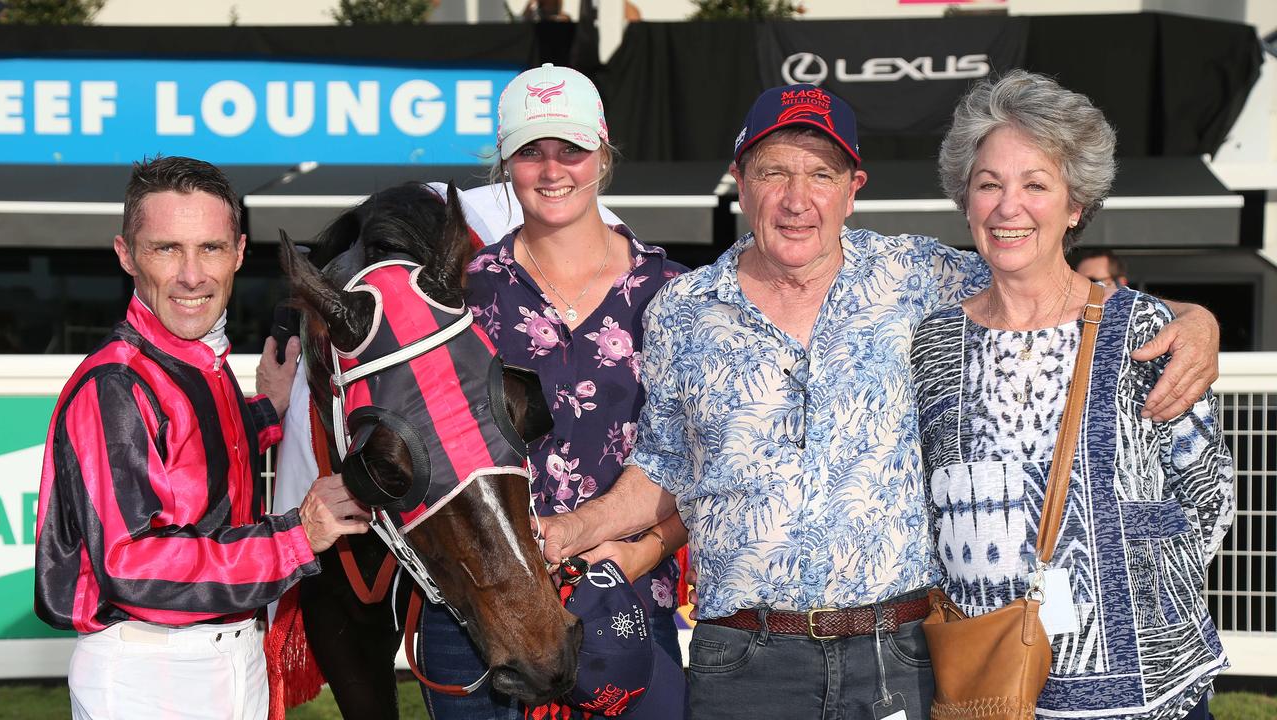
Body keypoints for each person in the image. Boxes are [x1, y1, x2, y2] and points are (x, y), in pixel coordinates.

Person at [541, 83, 1222, 719]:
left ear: (853, 188)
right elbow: (664, 466)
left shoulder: (920, 276)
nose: (796, 198)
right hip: (744, 660)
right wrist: (576, 529)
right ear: (741, 181)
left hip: (897, 654)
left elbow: (1044, 279)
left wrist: (1193, 317)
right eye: (774, 171)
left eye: (821, 175)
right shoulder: (682, 311)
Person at [913, 71, 1232, 719]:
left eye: (1036, 185)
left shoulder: (1144, 330)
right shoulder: (934, 344)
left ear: (1075, 205)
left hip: (1146, 691)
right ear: (966, 201)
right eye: (989, 185)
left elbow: (1209, 491)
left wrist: (1138, 593)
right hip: (994, 684)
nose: (1009, 207)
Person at [33, 156, 372, 720]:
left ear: (239, 252)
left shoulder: (196, 362)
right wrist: (297, 536)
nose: (193, 275)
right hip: (151, 672)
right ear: (126, 255)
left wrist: (270, 407)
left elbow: (204, 449)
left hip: (229, 660)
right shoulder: (116, 383)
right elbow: (131, 565)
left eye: (210, 248)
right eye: (167, 249)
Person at [419, 63, 689, 719]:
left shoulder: (677, 295)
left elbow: (707, 464)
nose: (552, 169)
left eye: (569, 148)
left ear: (602, 151)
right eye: (530, 152)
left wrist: (635, 554)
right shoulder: (455, 296)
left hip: (625, 605)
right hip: (477, 620)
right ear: (505, 163)